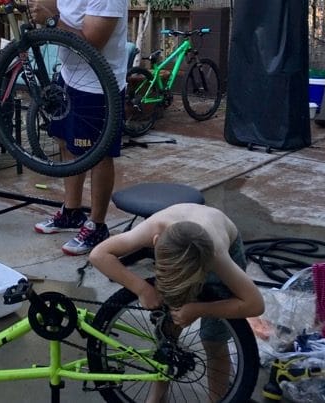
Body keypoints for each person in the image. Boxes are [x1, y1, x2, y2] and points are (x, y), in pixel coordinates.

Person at [89, 203, 265, 403]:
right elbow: (98, 255)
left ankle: (216, 398)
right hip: (189, 242)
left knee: (213, 339)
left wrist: (199, 309)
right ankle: (158, 395)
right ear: (155, 242)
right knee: (167, 332)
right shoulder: (153, 228)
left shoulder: (216, 256)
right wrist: (142, 289)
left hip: (219, 245)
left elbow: (255, 304)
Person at [30, 0, 128, 256]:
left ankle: (97, 225)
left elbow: (91, 44)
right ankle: (71, 211)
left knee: (99, 155)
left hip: (98, 85)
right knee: (66, 142)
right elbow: (50, 6)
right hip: (69, 75)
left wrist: (51, 20)